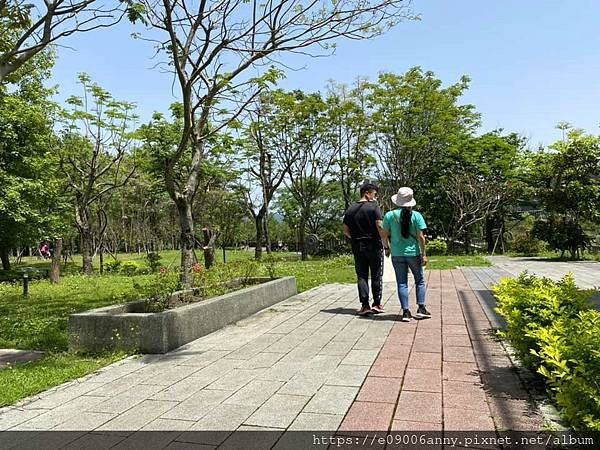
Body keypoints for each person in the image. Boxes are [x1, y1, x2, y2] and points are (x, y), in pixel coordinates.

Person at [380, 187, 430, 322]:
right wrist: (424, 253)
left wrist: (387, 248)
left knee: (402, 283)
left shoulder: (389, 215)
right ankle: (421, 308)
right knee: (419, 280)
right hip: (413, 253)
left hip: (397, 253)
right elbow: (421, 237)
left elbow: (383, 235)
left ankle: (406, 312)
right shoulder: (417, 216)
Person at [343, 182, 385, 316]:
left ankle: (365, 305)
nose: (376, 197)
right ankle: (377, 303)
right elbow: (379, 225)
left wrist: (355, 237)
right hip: (374, 245)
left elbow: (345, 230)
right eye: (375, 194)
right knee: (376, 274)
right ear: (367, 193)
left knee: (361, 275)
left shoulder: (350, 209)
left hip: (357, 246)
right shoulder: (374, 207)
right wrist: (386, 243)